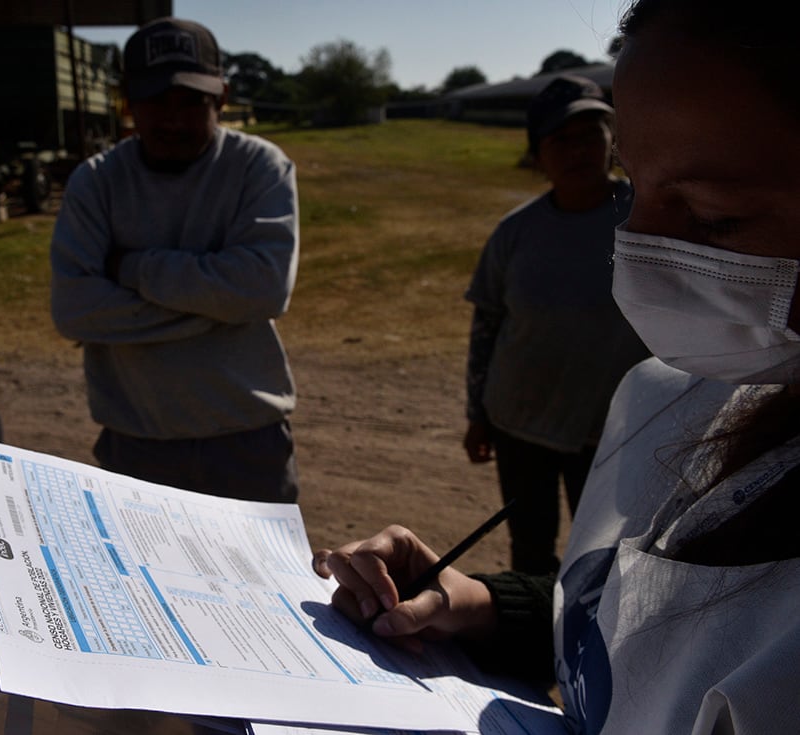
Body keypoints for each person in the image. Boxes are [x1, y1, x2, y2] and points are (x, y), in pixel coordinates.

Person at [316, 1, 800, 731]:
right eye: (633, 185)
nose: (635, 247)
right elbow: (632, 611)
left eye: (712, 217)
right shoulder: (686, 397)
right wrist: (474, 603)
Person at [50, 17, 300, 503]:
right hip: (136, 447)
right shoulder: (96, 182)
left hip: (247, 442)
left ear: (222, 98)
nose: (173, 120)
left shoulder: (258, 167)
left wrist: (131, 269)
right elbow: (75, 310)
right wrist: (215, 308)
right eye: (155, 102)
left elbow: (263, 290)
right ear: (127, 102)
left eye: (192, 102)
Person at [463, 74, 648, 574]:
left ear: (613, 140)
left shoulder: (649, 219)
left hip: (615, 429)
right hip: (520, 420)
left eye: (591, 133)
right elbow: (488, 325)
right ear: (537, 154)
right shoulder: (515, 232)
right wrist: (478, 411)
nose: (578, 149)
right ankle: (531, 646)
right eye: (560, 139)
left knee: (611, 559)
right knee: (530, 551)